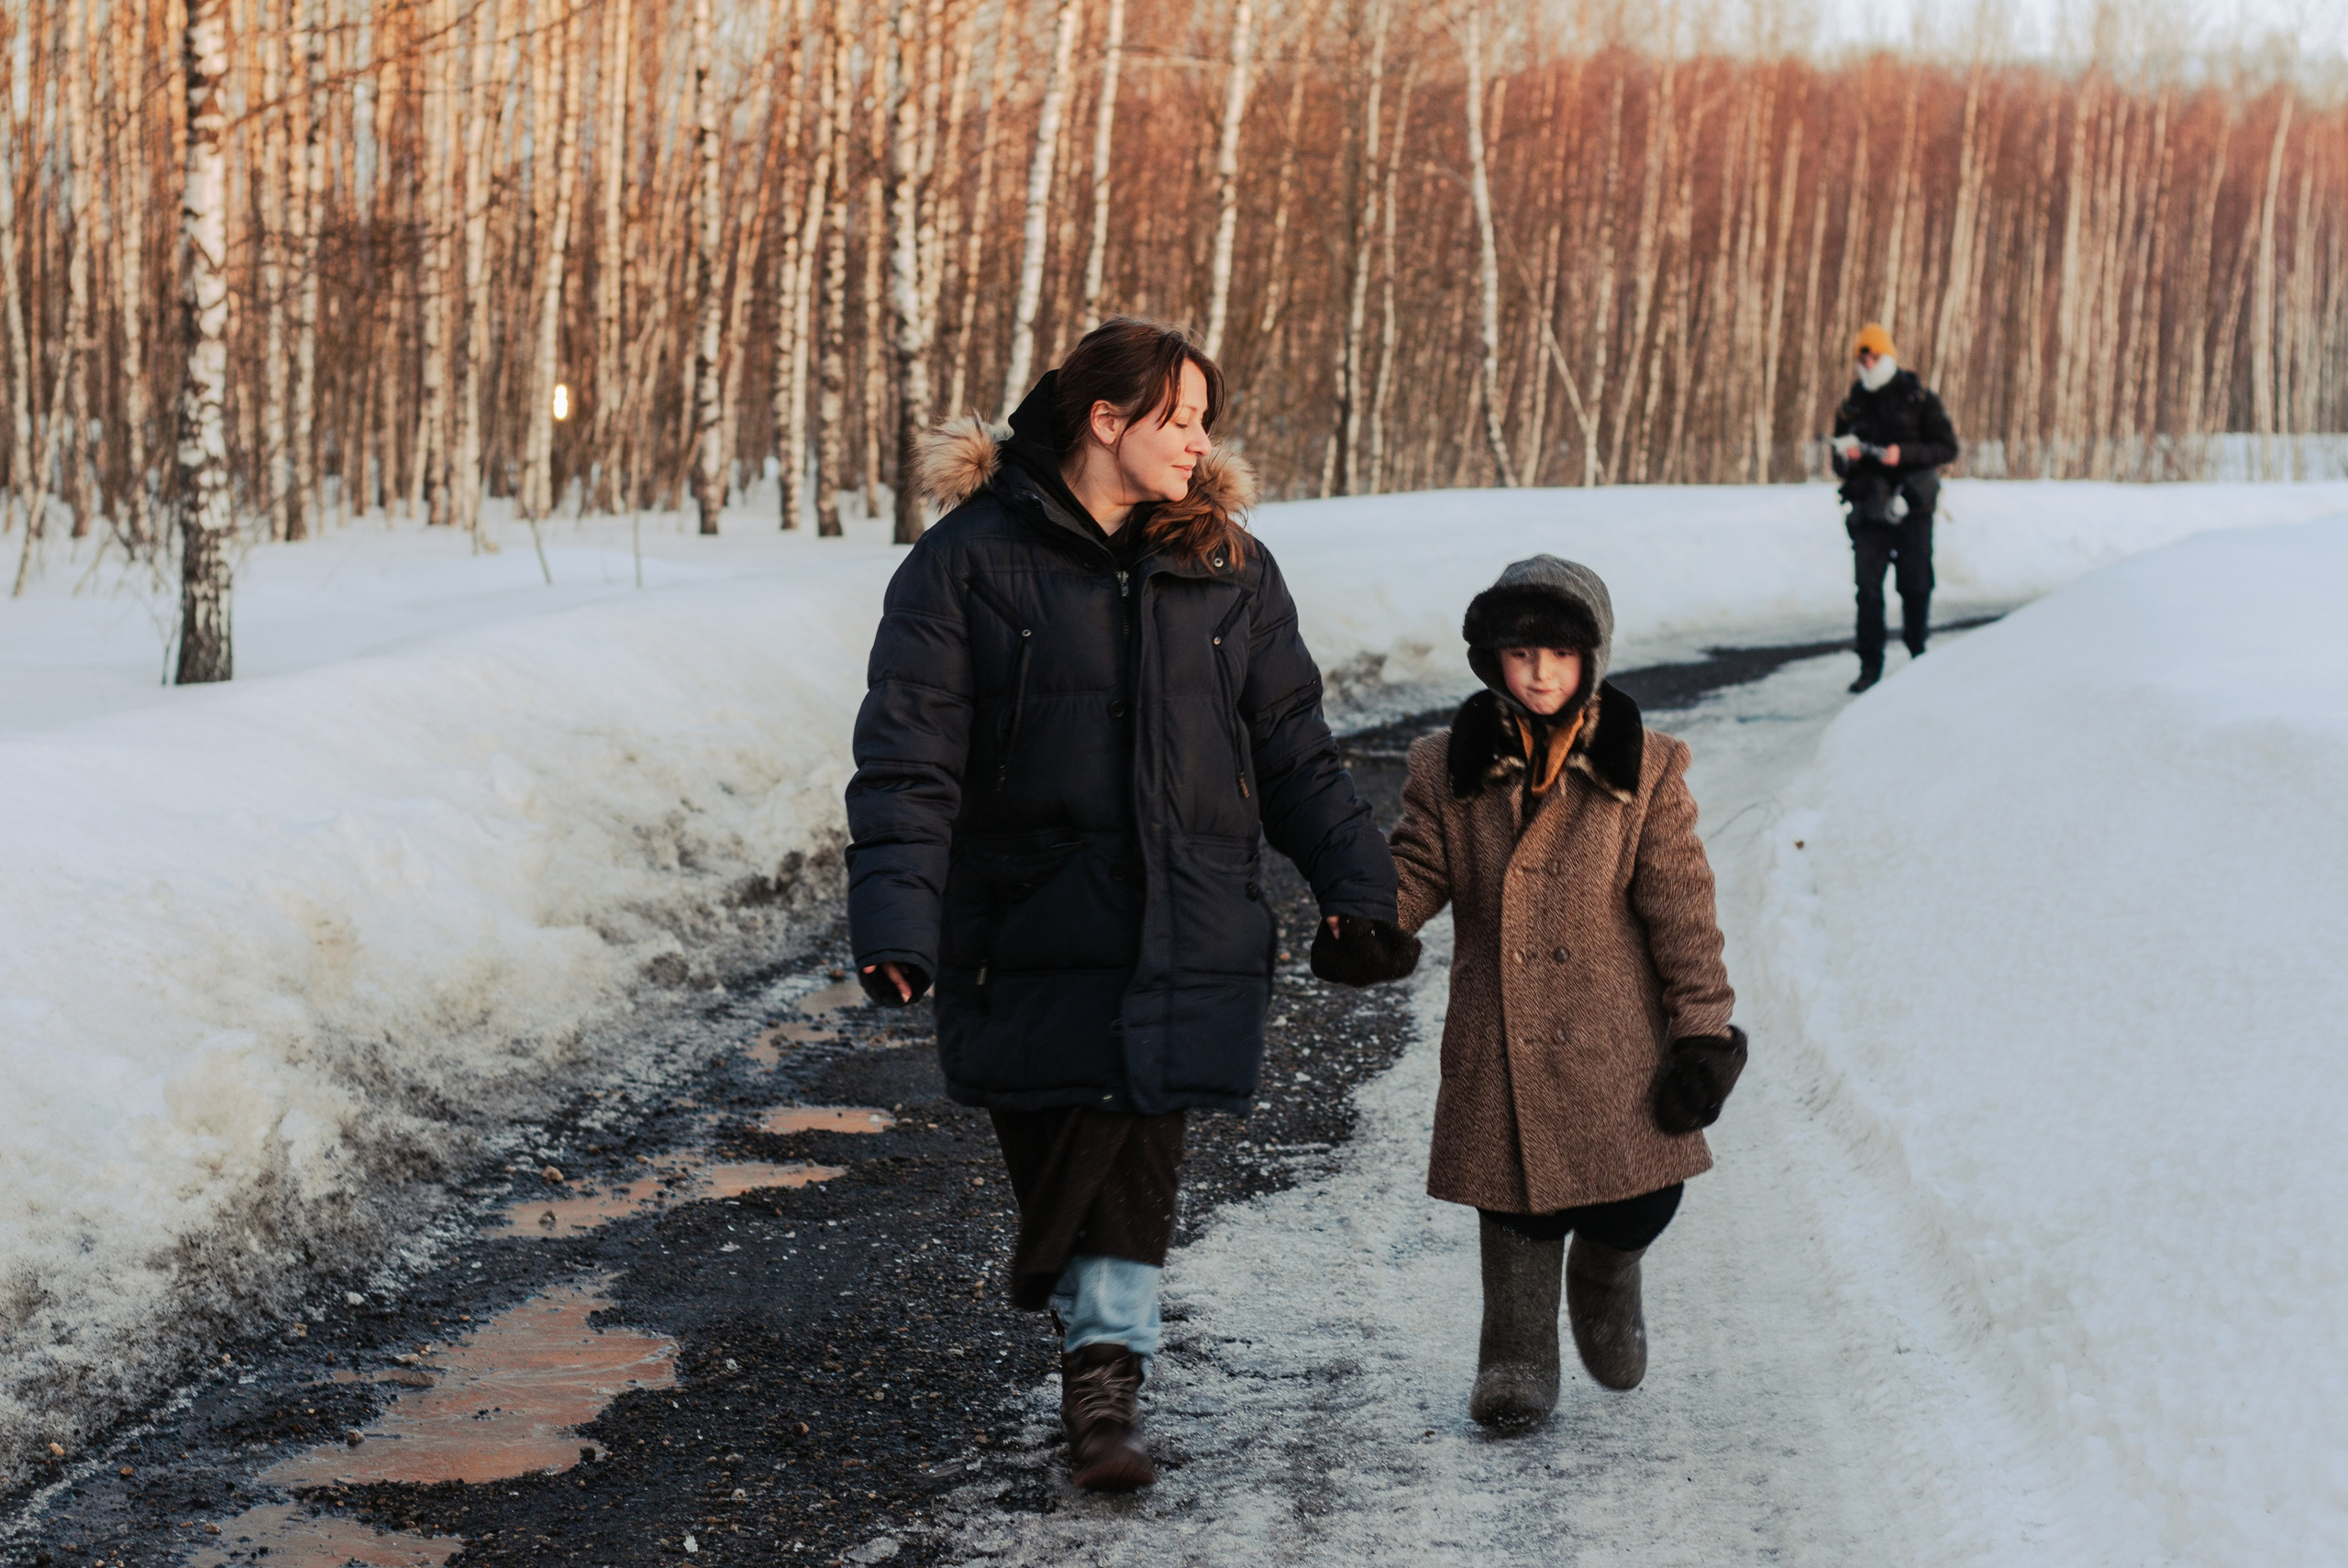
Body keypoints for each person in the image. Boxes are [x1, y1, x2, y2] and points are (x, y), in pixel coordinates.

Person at [843, 318, 1417, 1491]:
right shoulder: (963, 563)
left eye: (1206, 420)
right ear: (1107, 421)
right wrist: (896, 919)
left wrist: (1361, 892)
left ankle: (1104, 1387)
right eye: (1182, 418)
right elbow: (910, 760)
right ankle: (1070, 1295)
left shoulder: (1232, 568)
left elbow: (1297, 750)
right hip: (1024, 918)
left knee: (1142, 1147)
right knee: (1055, 1129)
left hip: (1187, 913)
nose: (1201, 445)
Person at [1384, 555, 1746, 1429]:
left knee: (1645, 1188)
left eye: (1558, 651)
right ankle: (1514, 1355)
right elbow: (1413, 872)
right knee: (1513, 1194)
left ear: (1594, 656)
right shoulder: (1447, 768)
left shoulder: (1646, 770)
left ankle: (1606, 1270)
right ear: (1490, 662)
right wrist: (1371, 926)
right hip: (1500, 1029)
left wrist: (1704, 1029)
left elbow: (1682, 910)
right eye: (1517, 653)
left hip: (1614, 1032)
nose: (1538, 670)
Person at [1832, 322, 1959, 693]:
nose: (1867, 363)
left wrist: (1904, 454)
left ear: (1888, 356)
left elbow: (1947, 448)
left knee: (1915, 584)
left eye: (1874, 355)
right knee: (1868, 589)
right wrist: (1848, 457)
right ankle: (1870, 666)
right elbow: (1838, 463)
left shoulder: (1918, 398)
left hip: (1913, 507)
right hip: (1868, 509)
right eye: (1862, 356)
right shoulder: (1851, 406)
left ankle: (1919, 654)